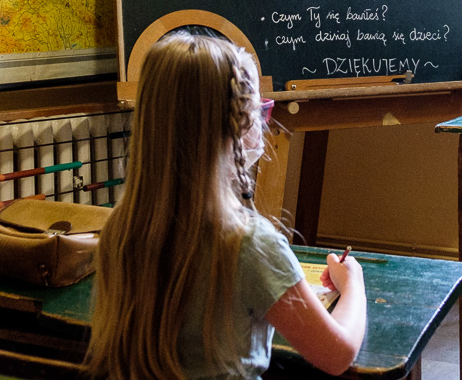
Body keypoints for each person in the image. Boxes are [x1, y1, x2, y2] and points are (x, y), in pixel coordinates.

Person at [86, 34, 366, 379]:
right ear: (241, 124)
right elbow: (338, 354)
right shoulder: (249, 245)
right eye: (260, 110)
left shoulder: (120, 229)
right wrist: (353, 281)